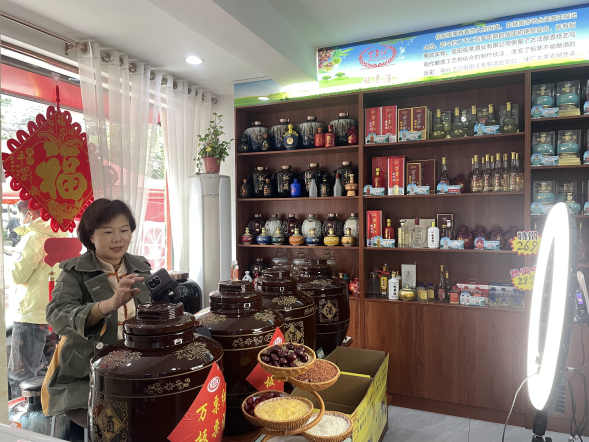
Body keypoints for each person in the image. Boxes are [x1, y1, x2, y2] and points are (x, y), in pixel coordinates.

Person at [42, 199, 151, 434]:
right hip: (86, 377)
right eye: (108, 232)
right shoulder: (74, 272)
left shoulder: (141, 267)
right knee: (113, 430)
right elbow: (57, 315)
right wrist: (107, 305)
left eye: (124, 230)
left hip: (138, 372)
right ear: (91, 236)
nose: (118, 239)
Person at [7, 200, 67, 399]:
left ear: (30, 215)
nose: (20, 220)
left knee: (21, 376)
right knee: (50, 372)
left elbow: (18, 275)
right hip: (54, 315)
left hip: (30, 315)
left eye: (20, 216)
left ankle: (22, 413)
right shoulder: (62, 235)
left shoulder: (33, 238)